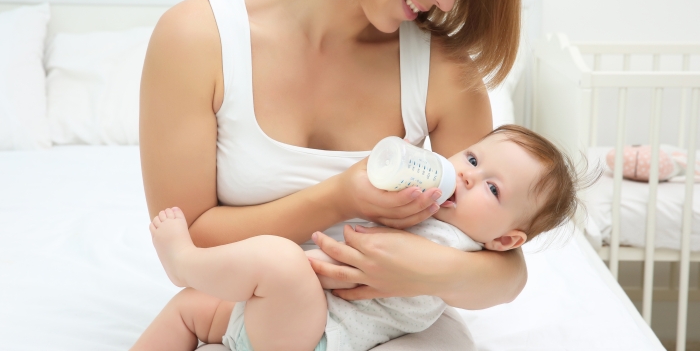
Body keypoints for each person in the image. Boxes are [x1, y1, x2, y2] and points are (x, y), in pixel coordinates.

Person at [138, 0, 523, 348]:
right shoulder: (197, 38)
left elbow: (506, 270)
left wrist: (427, 269)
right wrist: (339, 198)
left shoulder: (446, 72)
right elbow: (190, 245)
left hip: (388, 327)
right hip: (261, 319)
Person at [132, 125, 583, 351]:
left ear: (505, 240)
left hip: (318, 337)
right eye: (471, 158)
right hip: (273, 318)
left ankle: (182, 261)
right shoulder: (426, 204)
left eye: (492, 188)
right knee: (189, 310)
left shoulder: (456, 249)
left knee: (281, 261)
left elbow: (466, 281)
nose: (466, 176)